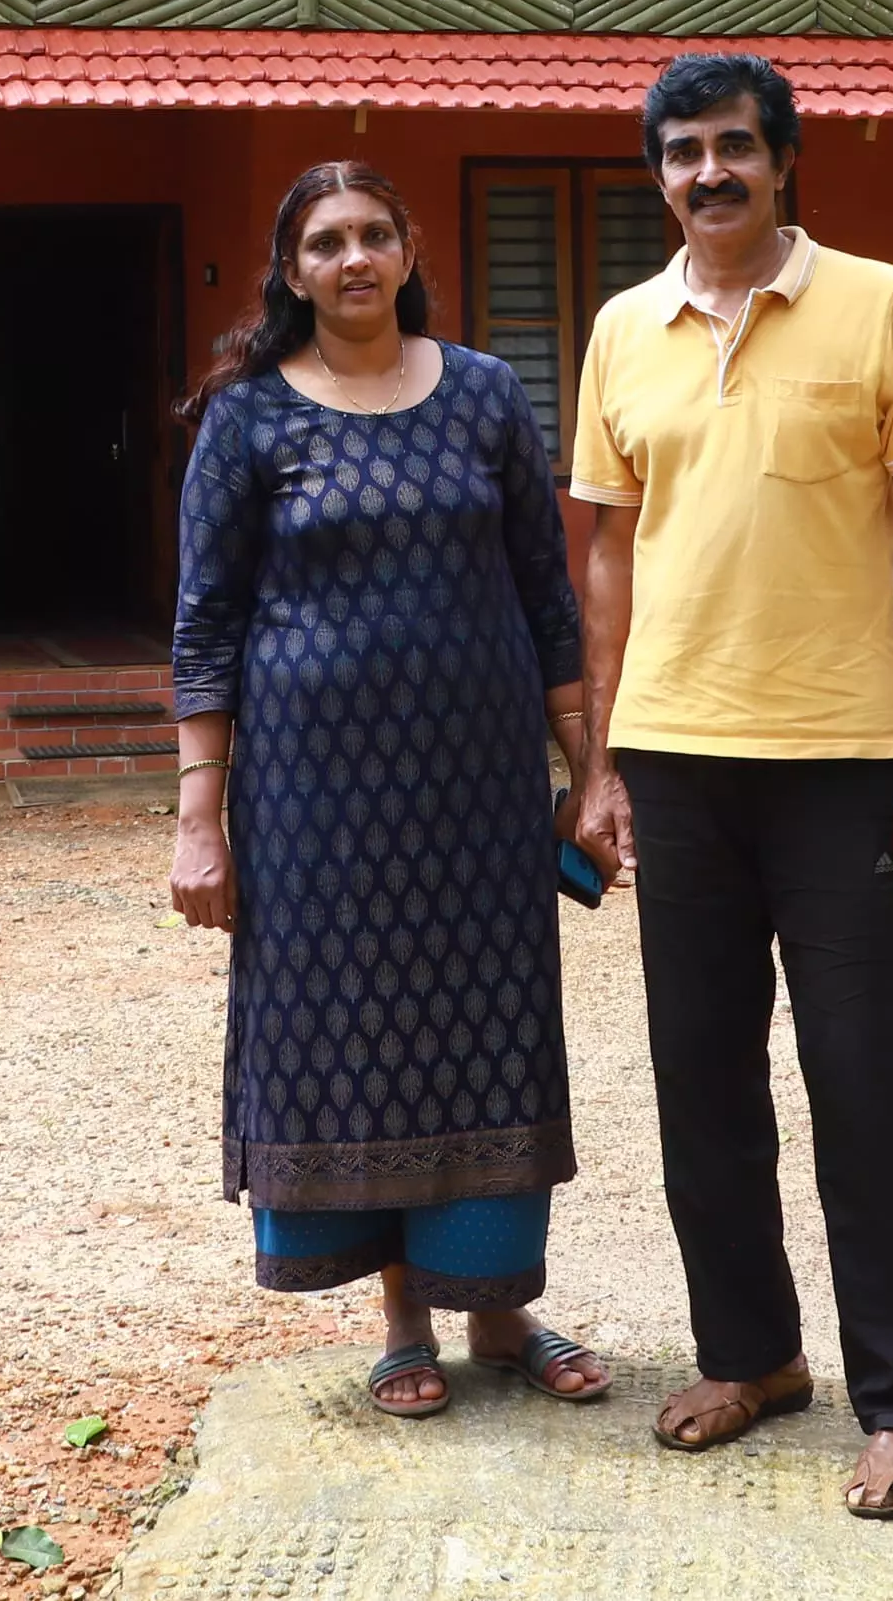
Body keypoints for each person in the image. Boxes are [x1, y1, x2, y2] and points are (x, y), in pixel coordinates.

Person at [564, 53, 893, 1517]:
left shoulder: (876, 304)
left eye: (735, 146)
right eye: (682, 153)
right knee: (703, 1086)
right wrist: (599, 763)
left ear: (784, 160)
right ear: (659, 176)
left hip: (845, 765)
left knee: (864, 1085)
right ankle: (752, 1356)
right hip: (677, 764)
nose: (709, 174)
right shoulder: (625, 329)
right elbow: (606, 553)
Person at [168, 161, 612, 1419]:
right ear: (291, 269)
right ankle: (401, 1318)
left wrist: (590, 772)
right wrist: (200, 818)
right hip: (312, 804)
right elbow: (203, 627)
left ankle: (503, 1311)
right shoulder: (249, 418)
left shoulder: (480, 395)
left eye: (373, 235)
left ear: (408, 251)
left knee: (488, 1030)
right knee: (347, 1033)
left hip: (475, 792)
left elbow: (544, 591)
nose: (352, 258)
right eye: (325, 242)